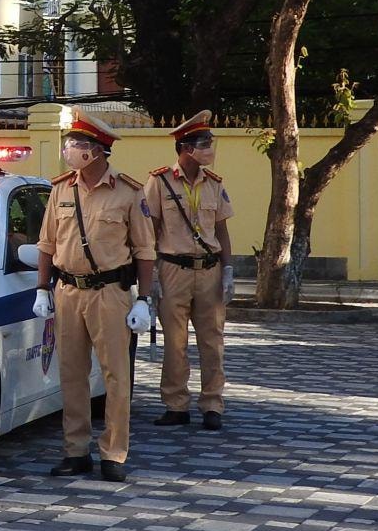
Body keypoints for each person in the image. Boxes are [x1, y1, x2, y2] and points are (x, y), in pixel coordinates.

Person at [30, 107, 157, 482]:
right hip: (69, 291)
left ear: (99, 150)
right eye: (70, 143)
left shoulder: (129, 193)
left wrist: (143, 299)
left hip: (110, 293)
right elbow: (47, 244)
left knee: (116, 376)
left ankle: (114, 453)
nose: (70, 150)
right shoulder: (60, 189)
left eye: (79, 144)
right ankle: (76, 451)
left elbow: (145, 250)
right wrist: (42, 288)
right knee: (71, 374)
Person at [145, 110, 235, 431]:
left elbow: (221, 231)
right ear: (185, 147)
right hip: (173, 269)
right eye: (203, 142)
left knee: (213, 341)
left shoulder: (214, 184)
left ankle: (213, 404)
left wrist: (228, 269)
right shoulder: (159, 183)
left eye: (209, 141)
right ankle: (176, 404)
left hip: (209, 270)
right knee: (175, 342)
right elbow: (150, 231)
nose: (209, 148)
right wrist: (152, 275)